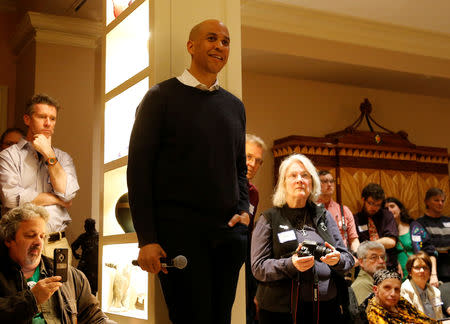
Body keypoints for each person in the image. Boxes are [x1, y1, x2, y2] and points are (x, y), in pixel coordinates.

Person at [127, 19, 249, 324]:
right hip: (178, 237)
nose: (220, 46)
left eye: (225, 41)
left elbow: (239, 169)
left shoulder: (235, 106)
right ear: (191, 46)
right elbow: (139, 172)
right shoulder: (160, 98)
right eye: (212, 38)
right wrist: (146, 239)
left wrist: (244, 212)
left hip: (227, 238)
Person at [251, 154, 354, 324]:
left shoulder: (324, 216)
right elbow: (258, 267)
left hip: (326, 308)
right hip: (282, 311)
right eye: (293, 175)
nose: (300, 180)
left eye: (305, 175)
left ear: (312, 182)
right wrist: (291, 264)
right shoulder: (269, 218)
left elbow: (348, 258)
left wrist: (337, 260)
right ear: (283, 183)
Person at [0, 203, 113, 324]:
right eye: (31, 235)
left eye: (42, 236)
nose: (39, 242)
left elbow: (93, 317)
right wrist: (31, 300)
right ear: (9, 239)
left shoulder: (71, 276)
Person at [0, 94, 79, 263]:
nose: (48, 123)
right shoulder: (8, 156)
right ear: (27, 119)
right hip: (22, 244)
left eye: (52, 118)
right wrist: (55, 199)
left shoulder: (63, 158)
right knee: (22, 290)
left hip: (58, 244)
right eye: (42, 117)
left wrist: (49, 154)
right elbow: (11, 198)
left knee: (61, 289)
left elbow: (67, 194)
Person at [245, 133, 266, 324]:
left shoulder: (254, 194)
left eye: (258, 161)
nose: (252, 164)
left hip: (245, 257)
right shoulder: (222, 184)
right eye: (248, 157)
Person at [366, 269, 437, 324]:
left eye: (396, 289)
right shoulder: (373, 313)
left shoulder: (400, 301)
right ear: (375, 290)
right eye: (387, 288)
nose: (393, 294)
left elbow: (423, 319)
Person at [411, 187, 450, 286]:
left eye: (442, 200)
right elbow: (427, 247)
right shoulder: (419, 223)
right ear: (427, 202)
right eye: (436, 200)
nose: (440, 203)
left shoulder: (448, 221)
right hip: (433, 268)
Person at [354, 183, 399, 270]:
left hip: (388, 265)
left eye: (378, 205)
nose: (374, 207)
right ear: (363, 200)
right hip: (366, 267)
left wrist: (367, 246)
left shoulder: (387, 215)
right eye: (371, 203)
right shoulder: (356, 219)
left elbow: (391, 241)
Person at [317, 170, 360, 253]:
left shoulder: (343, 210)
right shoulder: (310, 209)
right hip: (319, 257)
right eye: (325, 181)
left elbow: (354, 240)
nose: (329, 184)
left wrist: (357, 257)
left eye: (331, 181)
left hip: (342, 257)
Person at [401, 252, 448, 322]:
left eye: (425, 267)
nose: (422, 271)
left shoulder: (435, 292)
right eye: (417, 267)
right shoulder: (404, 291)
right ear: (410, 271)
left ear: (430, 271)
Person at [384, 197, 414, 280]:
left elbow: (423, 247)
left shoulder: (414, 227)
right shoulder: (385, 233)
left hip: (416, 270)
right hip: (397, 274)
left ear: (400, 209)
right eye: (386, 208)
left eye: (392, 206)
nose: (389, 210)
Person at [351, 241, 387, 305]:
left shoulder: (377, 281)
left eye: (382, 257)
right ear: (361, 262)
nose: (381, 261)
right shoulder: (362, 284)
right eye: (374, 257)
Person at [71, 218, 99, 295]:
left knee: (93, 288)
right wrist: (75, 255)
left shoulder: (98, 236)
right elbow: (73, 246)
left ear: (91, 226)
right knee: (79, 283)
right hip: (85, 264)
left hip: (95, 265)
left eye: (86, 225)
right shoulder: (83, 236)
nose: (85, 227)